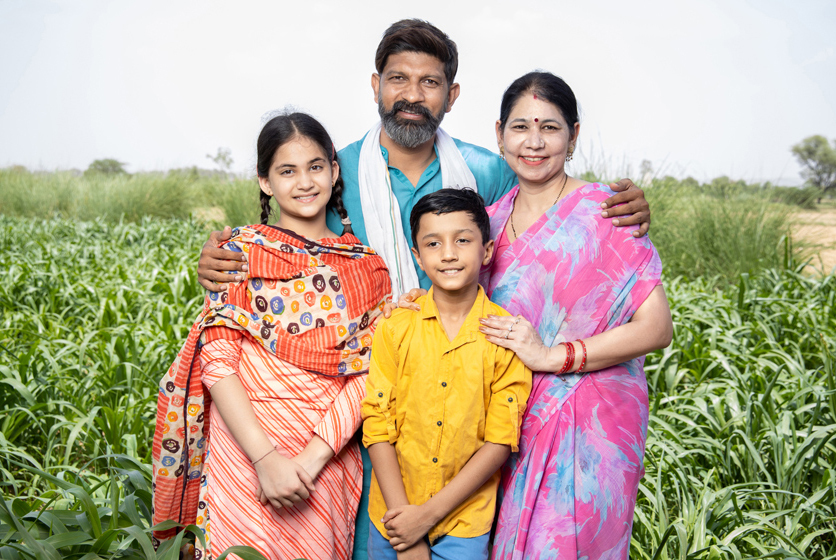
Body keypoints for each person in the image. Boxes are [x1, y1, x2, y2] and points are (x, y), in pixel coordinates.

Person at [195, 20, 652, 559]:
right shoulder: (336, 170)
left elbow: (547, 209)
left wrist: (625, 208)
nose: (412, 95)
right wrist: (221, 260)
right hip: (362, 408)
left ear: (451, 95)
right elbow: (291, 233)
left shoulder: (486, 172)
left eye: (430, 83)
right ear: (375, 85)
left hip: (471, 406)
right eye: (398, 79)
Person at [151, 112, 392, 560]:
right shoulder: (239, 255)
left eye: (316, 167)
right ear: (265, 182)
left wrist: (308, 463)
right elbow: (218, 361)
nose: (304, 182)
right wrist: (265, 460)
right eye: (287, 171)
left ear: (334, 172)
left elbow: (370, 373)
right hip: (244, 451)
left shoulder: (367, 268)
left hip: (325, 460)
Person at [474, 72, 673, 558]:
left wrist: (554, 356)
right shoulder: (487, 222)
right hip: (510, 424)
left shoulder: (609, 212)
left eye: (550, 128)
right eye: (520, 127)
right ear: (499, 134)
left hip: (595, 428)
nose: (534, 142)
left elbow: (657, 327)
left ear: (574, 135)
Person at [362, 189, 531, 560]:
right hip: (391, 517)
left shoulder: (506, 335)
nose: (449, 254)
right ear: (417, 257)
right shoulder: (395, 327)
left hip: (464, 524)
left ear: (486, 251)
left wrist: (426, 517)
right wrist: (405, 525)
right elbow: (377, 423)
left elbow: (500, 440)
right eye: (434, 243)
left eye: (463, 240)